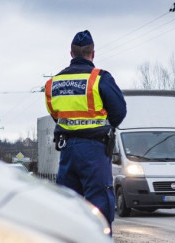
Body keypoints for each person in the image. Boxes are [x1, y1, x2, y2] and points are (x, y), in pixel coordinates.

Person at [45, 30, 127, 230]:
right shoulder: (100, 78)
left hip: (67, 151)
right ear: (93, 53)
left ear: (71, 53)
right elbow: (119, 112)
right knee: (99, 206)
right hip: (94, 151)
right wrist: (103, 124)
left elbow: (55, 114)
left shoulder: (53, 82)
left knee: (67, 206)